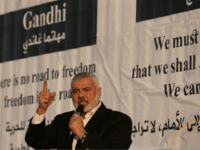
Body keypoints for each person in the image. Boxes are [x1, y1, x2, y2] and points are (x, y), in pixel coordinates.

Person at [25, 73, 132, 150]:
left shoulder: (118, 120)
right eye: (76, 91)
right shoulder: (63, 120)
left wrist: (82, 134)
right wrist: (41, 110)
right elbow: (35, 141)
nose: (80, 95)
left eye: (86, 89)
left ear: (98, 92)